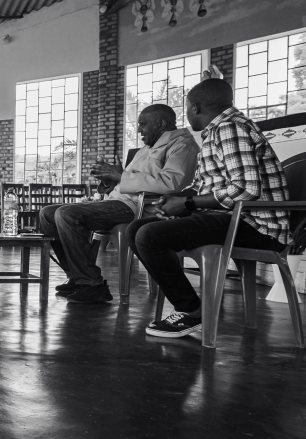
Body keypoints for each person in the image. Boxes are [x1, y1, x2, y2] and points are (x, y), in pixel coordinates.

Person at [128, 78, 291, 338]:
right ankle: (192, 308)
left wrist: (188, 203)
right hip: (229, 217)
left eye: (187, 108)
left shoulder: (230, 128)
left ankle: (192, 311)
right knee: (136, 229)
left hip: (255, 225)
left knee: (149, 236)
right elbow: (203, 186)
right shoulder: (218, 131)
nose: (186, 113)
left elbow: (246, 189)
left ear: (195, 107)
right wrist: (175, 200)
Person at [38, 103, 199, 304]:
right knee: (47, 214)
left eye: (143, 124)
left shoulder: (182, 145)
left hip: (140, 207)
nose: (139, 129)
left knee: (66, 214)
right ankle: (78, 277)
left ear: (161, 123)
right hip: (118, 201)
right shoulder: (145, 149)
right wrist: (109, 180)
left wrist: (120, 175)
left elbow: (171, 183)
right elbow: (124, 181)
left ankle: (92, 285)